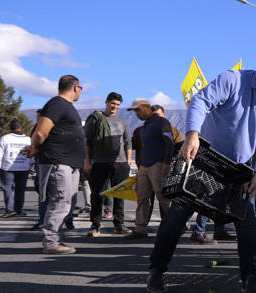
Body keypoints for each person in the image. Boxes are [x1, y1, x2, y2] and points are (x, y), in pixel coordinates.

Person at [146, 52, 256, 293]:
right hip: (204, 161)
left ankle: (250, 278)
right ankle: (157, 271)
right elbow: (201, 101)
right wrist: (192, 133)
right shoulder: (232, 80)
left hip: (238, 171)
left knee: (247, 224)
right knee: (177, 216)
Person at [30, 75, 86, 255]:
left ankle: (55, 239)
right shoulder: (56, 104)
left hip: (68, 163)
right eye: (81, 89)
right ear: (76, 87)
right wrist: (34, 147)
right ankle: (51, 243)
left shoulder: (66, 106)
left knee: (66, 202)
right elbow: (40, 132)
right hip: (57, 161)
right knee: (59, 201)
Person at [84, 91, 133, 237]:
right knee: (97, 194)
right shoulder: (95, 119)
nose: (115, 106)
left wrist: (128, 160)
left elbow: (128, 142)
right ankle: (95, 225)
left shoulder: (122, 121)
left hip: (120, 163)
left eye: (117, 104)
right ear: (106, 102)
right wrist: (87, 161)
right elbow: (87, 142)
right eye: (112, 103)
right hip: (100, 162)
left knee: (120, 194)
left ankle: (119, 224)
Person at [128, 98, 175, 239]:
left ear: (147, 107)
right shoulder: (145, 126)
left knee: (164, 198)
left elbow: (170, 144)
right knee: (141, 197)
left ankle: (177, 225)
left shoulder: (162, 122)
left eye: (138, 109)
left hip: (158, 165)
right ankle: (140, 228)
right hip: (144, 166)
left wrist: (166, 163)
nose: (136, 113)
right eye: (134, 111)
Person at [0, 120, 32, 217]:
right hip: (24, 167)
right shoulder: (28, 139)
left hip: (8, 168)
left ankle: (10, 210)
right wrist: (31, 164)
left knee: (7, 189)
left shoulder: (4, 138)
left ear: (9, 128)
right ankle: (19, 210)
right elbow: (32, 154)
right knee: (20, 190)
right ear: (21, 128)